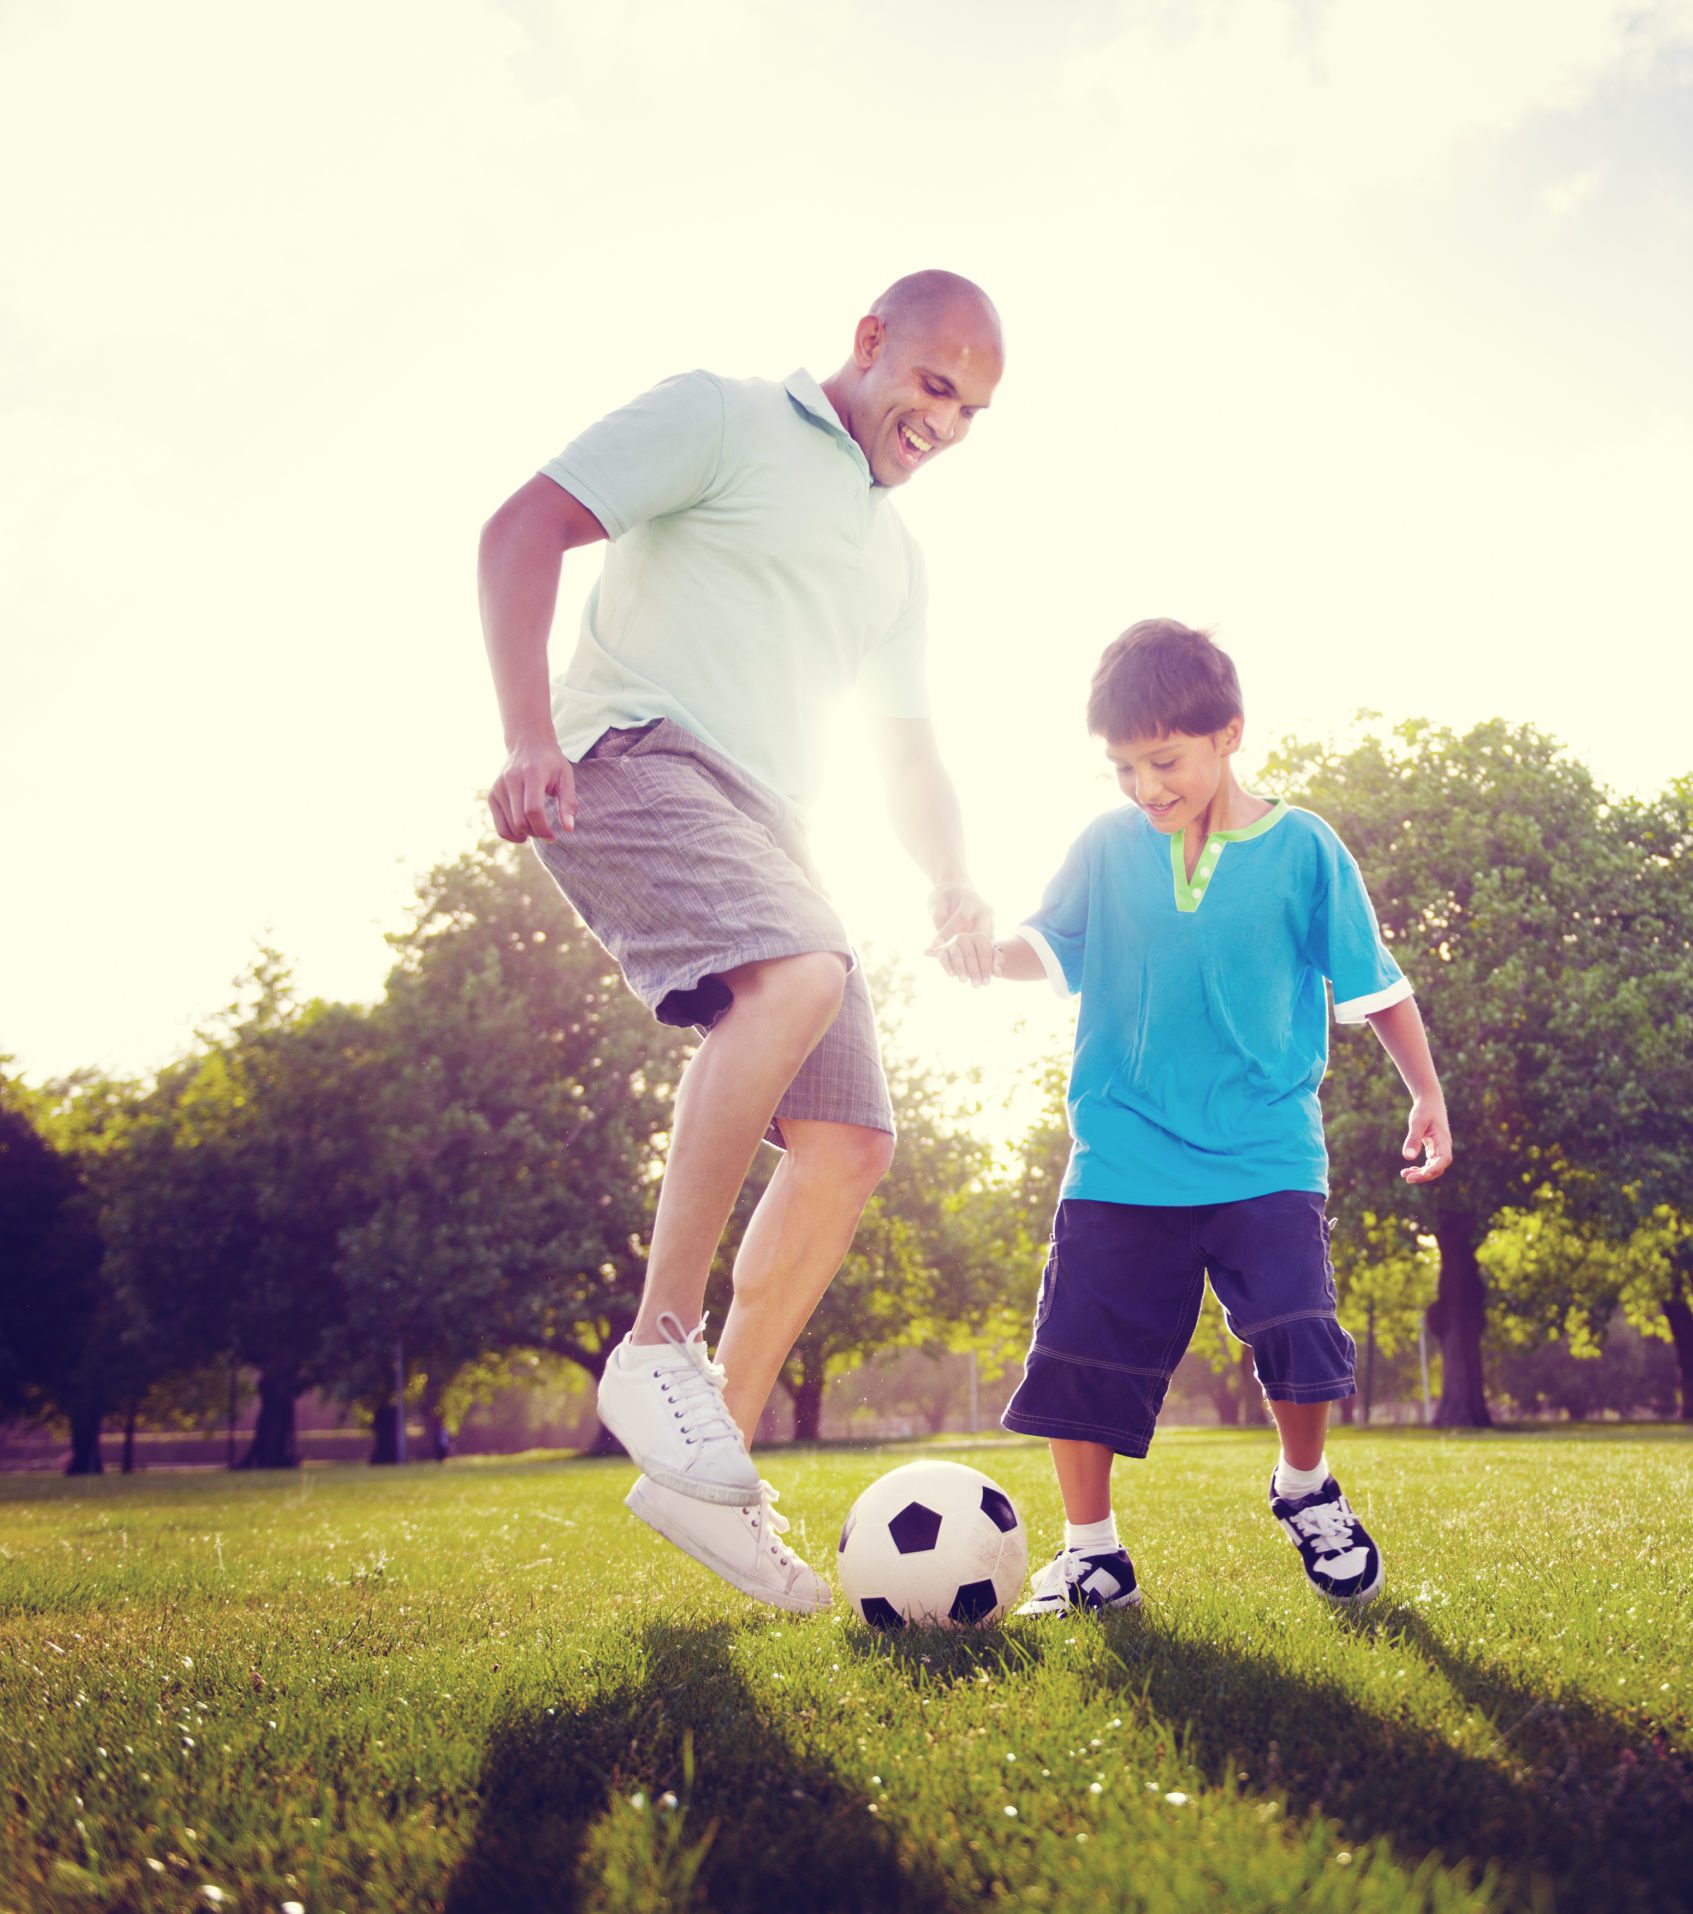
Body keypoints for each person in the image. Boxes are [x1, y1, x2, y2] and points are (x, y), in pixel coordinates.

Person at [478, 270, 1005, 1614]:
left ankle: (711, 1475)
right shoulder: (721, 416)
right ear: (870, 340)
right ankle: (659, 1343)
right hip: (632, 756)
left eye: (973, 410)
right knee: (800, 971)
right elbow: (521, 526)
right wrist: (530, 731)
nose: (943, 421)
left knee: (851, 1143)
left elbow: (906, 748)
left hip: (774, 821)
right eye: (934, 384)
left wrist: (950, 875)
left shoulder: (896, 559)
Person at [940, 619, 1451, 1614]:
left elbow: (1375, 984)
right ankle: (1092, 1555)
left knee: (1300, 1334)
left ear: (1229, 735)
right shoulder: (1104, 847)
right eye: (1123, 768)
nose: (1145, 788)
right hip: (1123, 1153)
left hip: (1264, 1147)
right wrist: (977, 953)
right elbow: (1045, 950)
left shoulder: (1303, 848)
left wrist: (1424, 1094)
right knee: (1078, 1354)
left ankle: (1305, 1489)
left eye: (1163, 760)